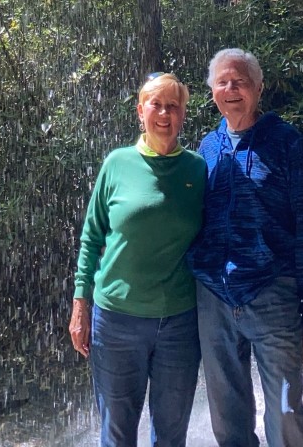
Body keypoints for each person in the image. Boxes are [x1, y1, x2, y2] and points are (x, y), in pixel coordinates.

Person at [190, 48, 303, 447]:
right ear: (212, 91)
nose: (231, 89)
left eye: (241, 82)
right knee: (227, 415)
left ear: (258, 88)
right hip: (214, 297)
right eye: (223, 82)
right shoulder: (207, 148)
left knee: (285, 410)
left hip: (273, 292)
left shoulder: (286, 143)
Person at [69, 72, 206, 447]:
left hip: (179, 322)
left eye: (173, 106)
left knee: (171, 434)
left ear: (182, 115)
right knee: (117, 433)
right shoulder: (117, 164)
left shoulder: (198, 169)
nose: (164, 113)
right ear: (140, 112)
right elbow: (91, 236)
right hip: (115, 321)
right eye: (156, 105)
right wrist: (80, 305)